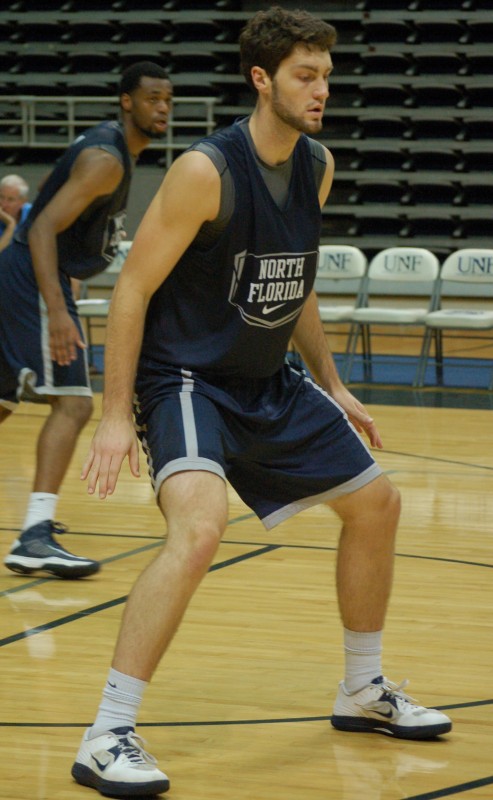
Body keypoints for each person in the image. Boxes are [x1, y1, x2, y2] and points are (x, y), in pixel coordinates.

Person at [72, 7, 452, 797]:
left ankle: (361, 689)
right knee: (201, 528)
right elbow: (132, 290)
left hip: (268, 381)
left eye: (326, 77)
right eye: (304, 77)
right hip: (186, 381)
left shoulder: (316, 164)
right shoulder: (204, 171)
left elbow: (296, 280)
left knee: (376, 504)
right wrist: (114, 415)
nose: (321, 91)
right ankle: (107, 732)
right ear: (261, 79)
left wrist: (334, 382)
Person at [0, 61, 173, 580]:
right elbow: (41, 227)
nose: (162, 108)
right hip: (29, 281)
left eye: (168, 99)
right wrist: (56, 310)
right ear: (126, 102)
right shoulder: (107, 160)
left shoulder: (116, 155)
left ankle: (36, 530)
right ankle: (35, 534)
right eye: (151, 99)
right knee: (74, 405)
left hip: (25, 278)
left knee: (3, 404)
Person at [0, 174, 32, 253]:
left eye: (10, 200)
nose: (3, 204)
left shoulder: (32, 214)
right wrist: (11, 224)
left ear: (23, 202)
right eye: (1, 197)